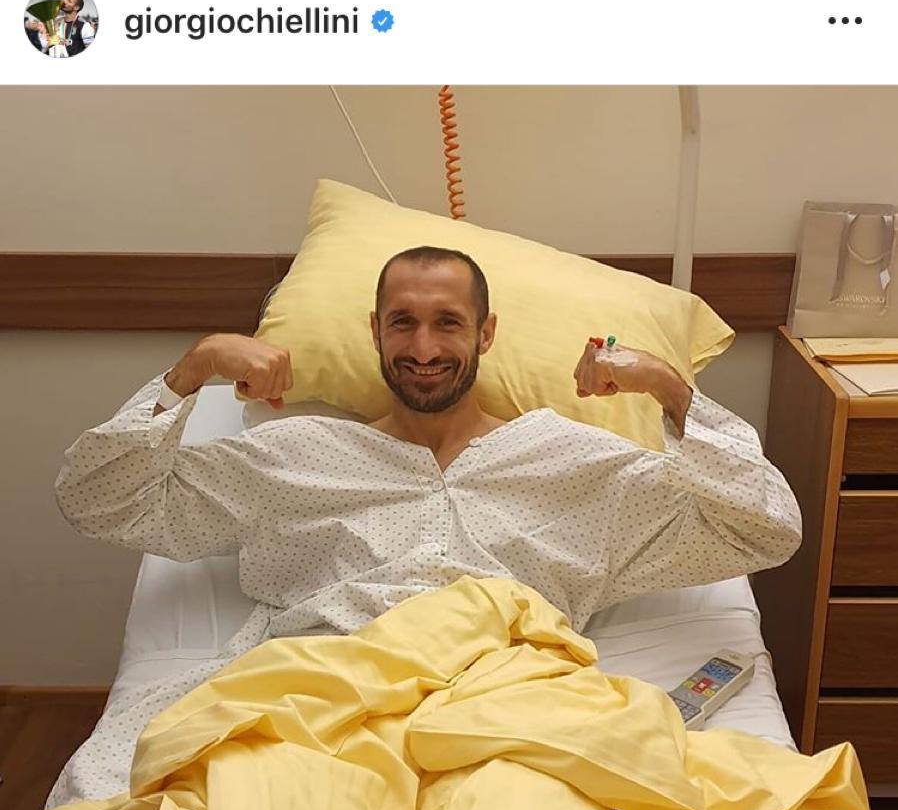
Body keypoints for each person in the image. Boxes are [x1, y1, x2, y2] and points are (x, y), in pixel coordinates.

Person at [55, 245, 801, 643]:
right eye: (402, 323)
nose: (422, 348)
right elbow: (98, 501)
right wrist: (195, 368)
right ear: (374, 333)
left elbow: (765, 528)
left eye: (447, 323)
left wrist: (668, 387)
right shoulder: (294, 461)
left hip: (514, 717)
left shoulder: (576, 466)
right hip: (326, 708)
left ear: (486, 334)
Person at [28, 0, 95, 57]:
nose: (64, 2)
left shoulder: (84, 26)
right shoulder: (55, 22)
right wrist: (49, 43)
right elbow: (47, 46)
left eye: (69, 1)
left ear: (76, 7)